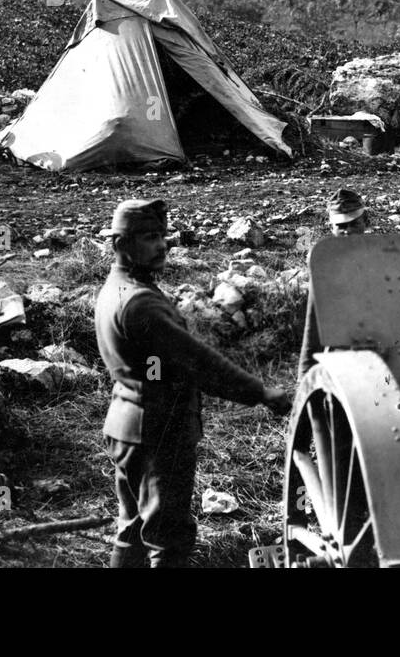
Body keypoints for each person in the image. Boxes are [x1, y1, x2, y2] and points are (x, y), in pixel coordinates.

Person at [95, 198, 290, 568]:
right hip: (158, 431)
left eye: (162, 236)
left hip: (126, 424)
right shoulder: (140, 303)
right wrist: (261, 392)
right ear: (121, 245)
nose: (162, 245)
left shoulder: (115, 288)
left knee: (133, 527)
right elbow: (199, 363)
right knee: (169, 539)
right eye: (150, 237)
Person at [298, 189, 368, 379]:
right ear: (332, 228)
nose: (348, 231)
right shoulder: (326, 265)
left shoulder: (385, 255)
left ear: (366, 221)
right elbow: (313, 323)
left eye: (354, 223)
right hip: (344, 355)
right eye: (341, 226)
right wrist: (304, 375)